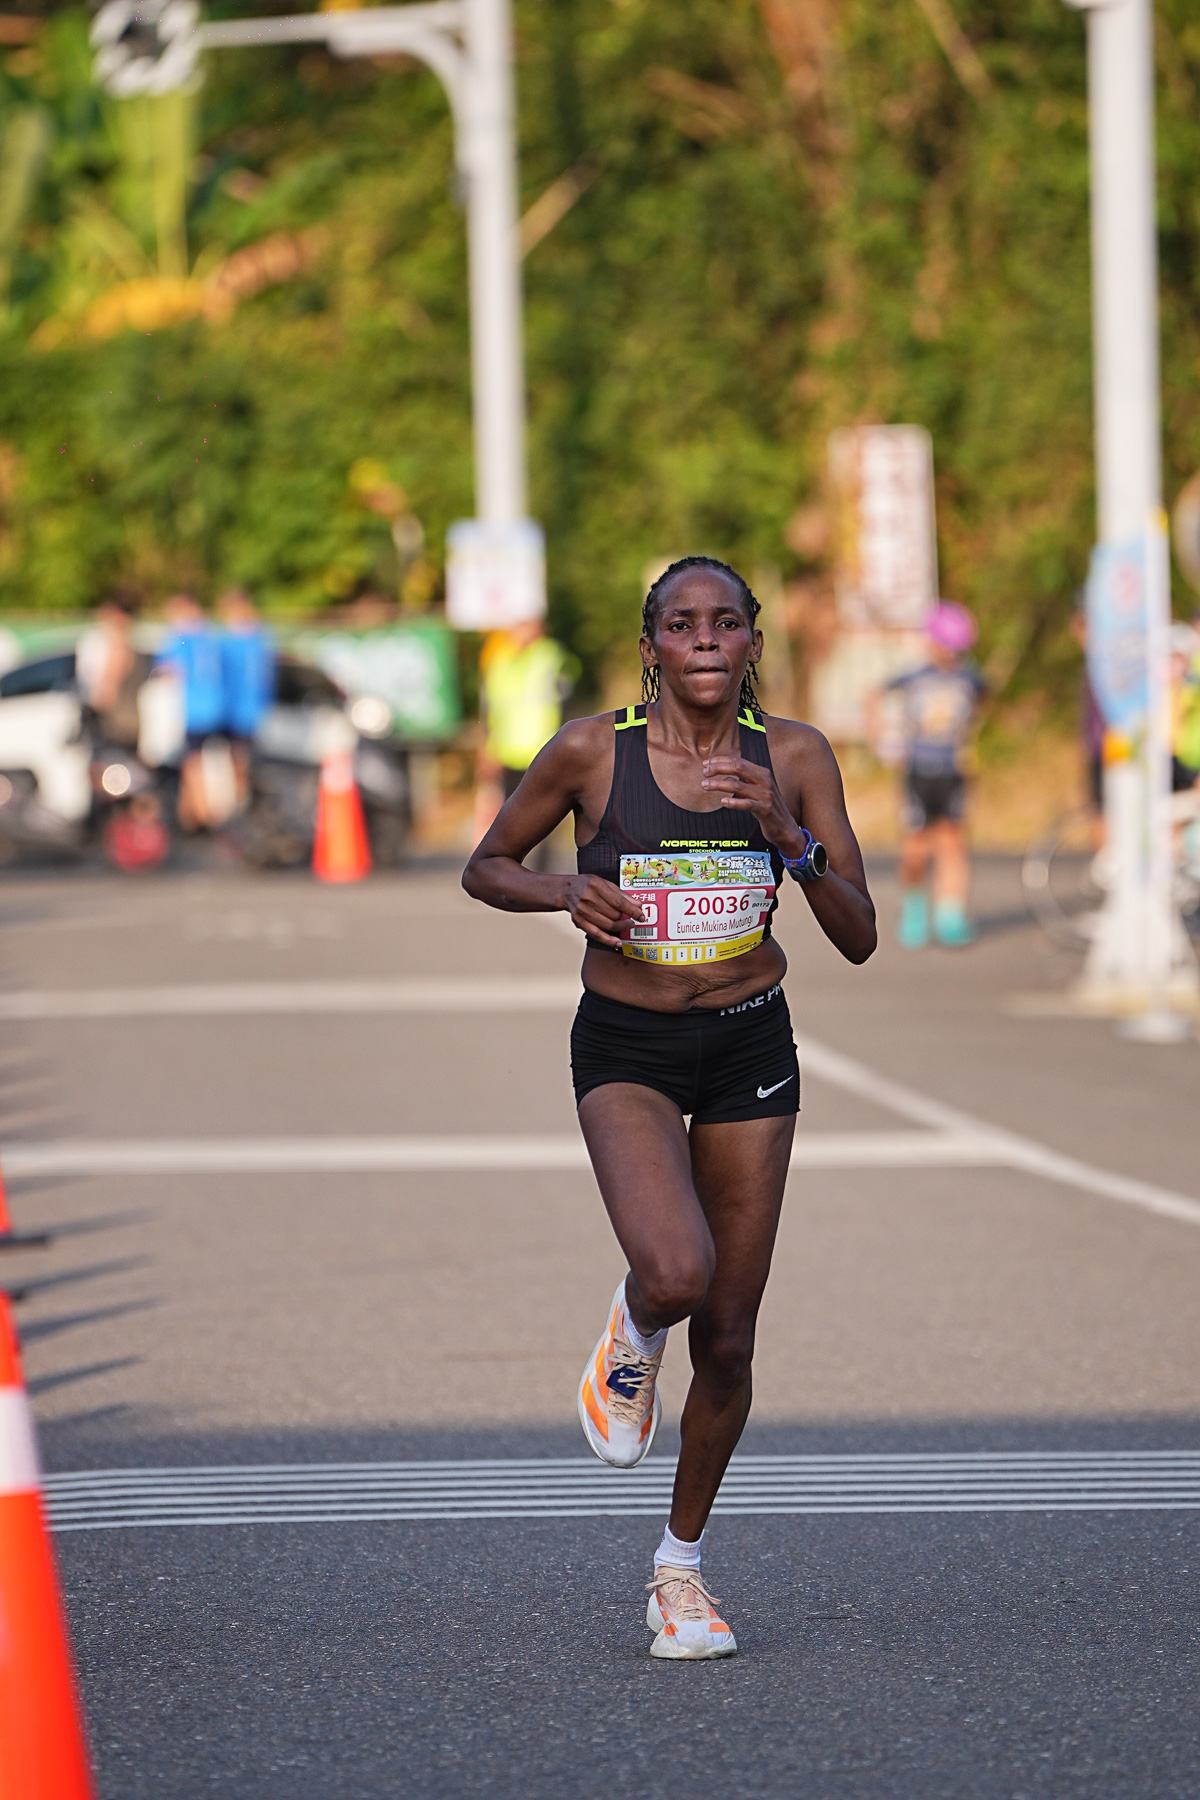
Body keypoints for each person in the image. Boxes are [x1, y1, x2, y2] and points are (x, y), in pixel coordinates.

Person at [462, 556, 875, 1660]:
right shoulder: (591, 752)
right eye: (681, 625)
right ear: (650, 649)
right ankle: (636, 1327)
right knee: (679, 1274)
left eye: (725, 623)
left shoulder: (795, 757)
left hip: (750, 1045)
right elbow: (487, 865)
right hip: (629, 1046)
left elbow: (859, 932)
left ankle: (678, 1572)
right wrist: (562, 889)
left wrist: (790, 838)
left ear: (751, 647)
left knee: (730, 1340)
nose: (704, 640)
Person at [883, 601, 986, 949]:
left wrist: (970, 743)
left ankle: (950, 915)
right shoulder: (914, 677)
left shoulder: (969, 678)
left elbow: (982, 702)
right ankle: (914, 910)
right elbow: (876, 696)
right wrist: (884, 742)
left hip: (953, 772)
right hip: (918, 772)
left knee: (953, 842)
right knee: (916, 847)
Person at [473, 618, 577, 845]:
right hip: (508, 754)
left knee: (547, 817)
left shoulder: (550, 656)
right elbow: (491, 710)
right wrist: (488, 748)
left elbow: (566, 704)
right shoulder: (499, 660)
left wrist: (565, 744)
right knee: (513, 821)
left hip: (544, 750)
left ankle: (543, 867)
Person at [157, 594, 225, 831]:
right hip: (216, 707)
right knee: (203, 762)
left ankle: (204, 814)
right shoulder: (211, 635)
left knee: (192, 762)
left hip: (194, 709)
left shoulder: (183, 637)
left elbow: (170, 666)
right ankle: (189, 815)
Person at [216, 588, 275, 808]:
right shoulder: (261, 637)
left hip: (237, 710)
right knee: (241, 757)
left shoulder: (232, 640)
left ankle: (239, 801)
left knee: (238, 758)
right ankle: (241, 799)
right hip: (248, 709)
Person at [76, 590, 151, 750]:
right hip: (131, 723)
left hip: (115, 726)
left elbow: (108, 693)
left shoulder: (118, 650)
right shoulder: (132, 647)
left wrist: (90, 709)